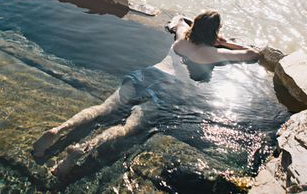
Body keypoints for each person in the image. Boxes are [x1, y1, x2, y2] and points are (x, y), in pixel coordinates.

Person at [32, 10, 262, 179]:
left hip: (146, 74)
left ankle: (59, 130)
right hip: (165, 89)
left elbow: (180, 20)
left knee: (103, 108)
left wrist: (193, 26)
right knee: (126, 128)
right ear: (214, 32)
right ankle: (83, 149)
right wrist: (224, 43)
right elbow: (252, 54)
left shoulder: (182, 39)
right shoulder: (211, 53)